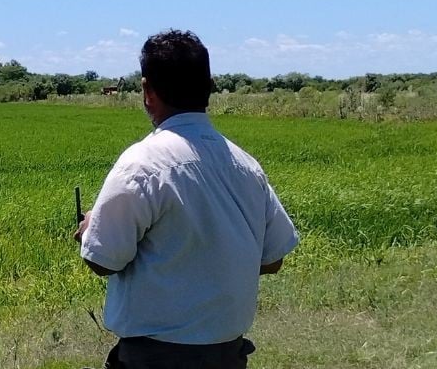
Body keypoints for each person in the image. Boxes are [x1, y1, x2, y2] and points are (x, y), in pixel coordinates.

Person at [73, 30, 298, 369]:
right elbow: (273, 260)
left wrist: (91, 228)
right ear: (209, 87)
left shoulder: (142, 165)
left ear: (148, 91)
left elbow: (104, 262)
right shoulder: (245, 165)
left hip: (155, 357)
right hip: (228, 354)